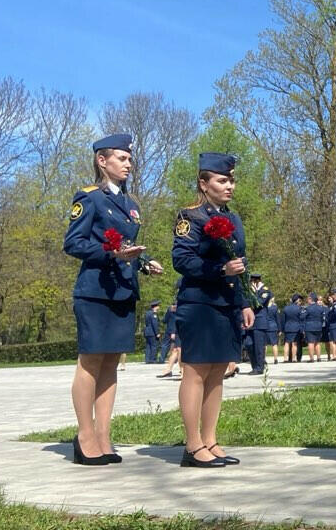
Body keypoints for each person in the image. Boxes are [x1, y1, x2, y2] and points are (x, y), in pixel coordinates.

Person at [63, 133, 164, 465]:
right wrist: (112, 254)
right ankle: (85, 435)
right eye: (121, 158)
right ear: (101, 160)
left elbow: (125, 248)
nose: (128, 164)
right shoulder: (89, 198)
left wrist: (143, 264)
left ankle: (104, 435)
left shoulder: (131, 204)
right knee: (91, 360)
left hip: (122, 290)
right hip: (95, 291)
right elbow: (74, 243)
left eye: (130, 159)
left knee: (111, 364)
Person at [172, 152, 255, 468]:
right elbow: (182, 260)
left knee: (218, 372)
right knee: (195, 372)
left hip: (226, 304)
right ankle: (192, 446)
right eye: (222, 180)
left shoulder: (233, 219)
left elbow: (242, 263)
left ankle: (210, 439)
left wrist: (245, 302)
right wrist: (220, 269)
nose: (229, 185)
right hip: (200, 303)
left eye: (231, 179)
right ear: (204, 184)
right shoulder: (190, 217)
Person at [246, 274, 272, 375]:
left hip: (260, 321)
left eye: (252, 281)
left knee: (258, 345)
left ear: (256, 281)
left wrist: (253, 293)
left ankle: (259, 367)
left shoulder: (265, 290)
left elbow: (259, 303)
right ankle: (254, 366)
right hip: (250, 322)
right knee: (249, 344)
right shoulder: (250, 291)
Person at [158, 299, 181, 378]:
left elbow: (167, 320)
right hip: (176, 330)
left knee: (178, 350)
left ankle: (183, 370)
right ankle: (168, 370)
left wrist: (173, 331)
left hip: (180, 330)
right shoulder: (173, 308)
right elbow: (172, 320)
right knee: (176, 350)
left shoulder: (174, 308)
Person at [303, 292, 328, 362]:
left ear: (311, 299)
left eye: (308, 298)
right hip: (318, 326)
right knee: (317, 342)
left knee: (310, 342)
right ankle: (319, 357)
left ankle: (311, 358)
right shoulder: (320, 308)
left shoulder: (307, 308)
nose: (307, 300)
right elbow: (323, 318)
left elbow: (302, 316)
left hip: (309, 327)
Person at [281, 294, 304, 363]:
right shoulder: (299, 308)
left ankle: (285, 358)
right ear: (297, 300)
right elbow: (301, 319)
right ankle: (294, 358)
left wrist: (282, 329)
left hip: (287, 327)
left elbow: (283, 320)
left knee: (287, 343)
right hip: (296, 328)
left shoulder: (286, 308)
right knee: (294, 343)